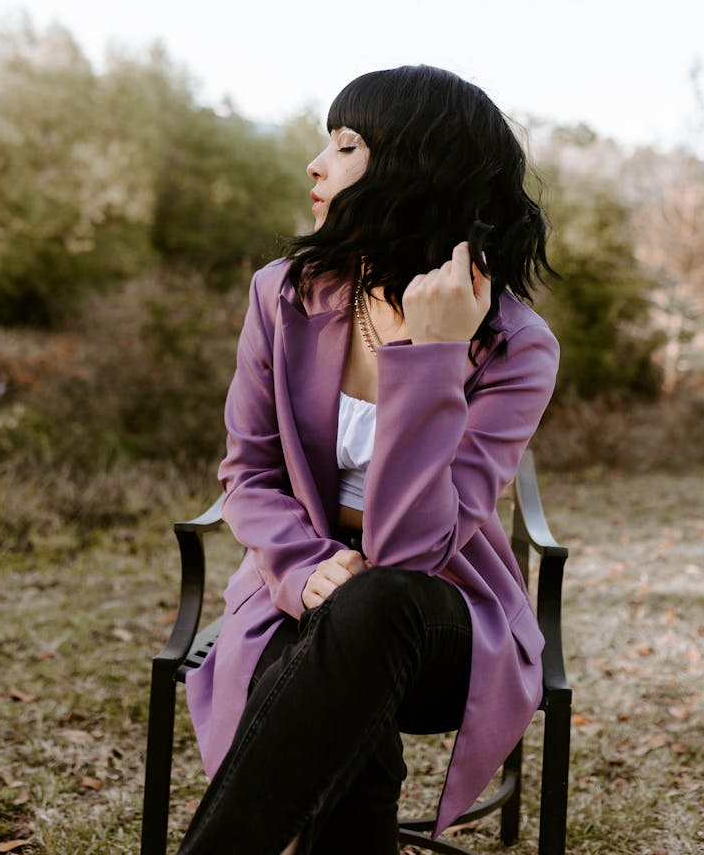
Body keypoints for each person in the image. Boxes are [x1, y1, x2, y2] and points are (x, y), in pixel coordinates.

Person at [180, 64, 559, 854]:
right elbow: (246, 473)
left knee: (376, 603)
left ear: (416, 171)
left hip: (443, 621)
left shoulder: (516, 345)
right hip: (300, 590)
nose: (317, 165)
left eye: (347, 145)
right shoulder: (282, 296)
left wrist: (434, 353)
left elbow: (412, 550)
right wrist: (300, 562)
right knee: (342, 715)